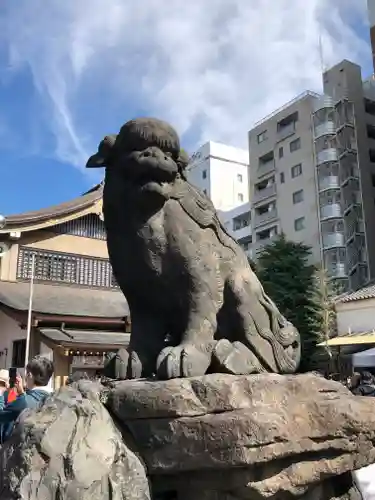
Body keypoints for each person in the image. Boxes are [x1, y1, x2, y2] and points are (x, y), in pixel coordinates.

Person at [0, 355, 54, 443]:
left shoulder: (23, 402)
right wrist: (22, 393)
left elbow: (1, 416)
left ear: (29, 375)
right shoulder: (53, 399)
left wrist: (1, 394)